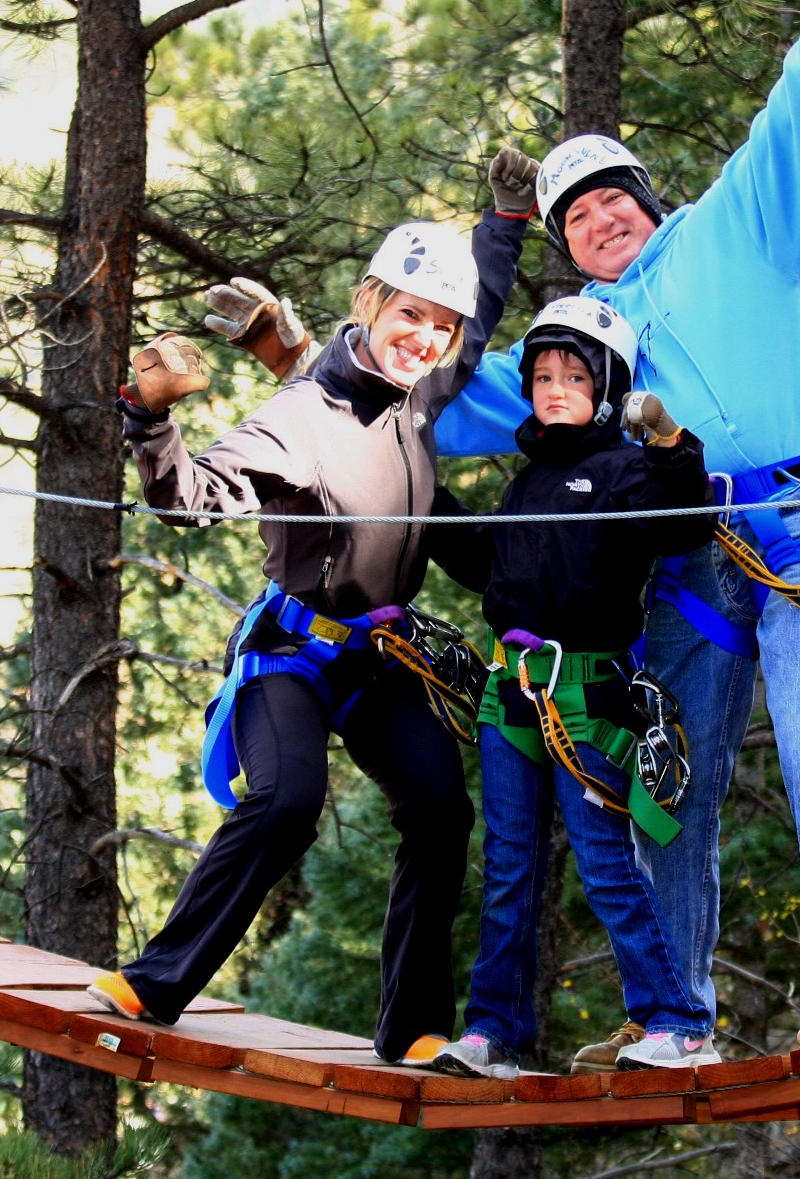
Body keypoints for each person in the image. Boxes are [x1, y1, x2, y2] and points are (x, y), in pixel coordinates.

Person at [436, 0, 800, 1056]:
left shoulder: (736, 228)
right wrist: (300, 360)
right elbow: (441, 399)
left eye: (614, 194)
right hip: (683, 560)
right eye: (575, 213)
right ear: (561, 243)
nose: (598, 215)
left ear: (649, 203)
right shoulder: (577, 344)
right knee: (669, 785)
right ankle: (673, 1019)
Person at [84, 157, 531, 1067]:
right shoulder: (302, 415)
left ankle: (412, 1030)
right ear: (371, 303)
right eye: (411, 314)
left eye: (436, 327)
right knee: (288, 802)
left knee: (442, 810)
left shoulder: (427, 389)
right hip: (290, 655)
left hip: (379, 661)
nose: (426, 338)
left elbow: (478, 312)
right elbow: (187, 501)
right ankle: (156, 981)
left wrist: (507, 222)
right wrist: (148, 416)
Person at [425, 298, 719, 1078]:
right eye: (542, 375)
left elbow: (687, 520)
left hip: (586, 695)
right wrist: (424, 503)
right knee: (510, 865)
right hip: (511, 695)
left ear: (607, 385)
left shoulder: (627, 470)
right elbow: (489, 565)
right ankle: (495, 1033)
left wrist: (666, 437)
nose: (554, 388)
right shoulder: (528, 483)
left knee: (604, 864)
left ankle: (679, 1022)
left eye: (574, 375)